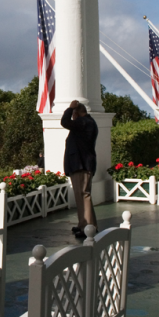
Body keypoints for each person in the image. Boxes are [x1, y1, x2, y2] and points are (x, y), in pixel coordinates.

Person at [61, 100, 98, 239]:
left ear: (77, 113)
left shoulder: (84, 122)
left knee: (83, 195)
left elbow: (65, 122)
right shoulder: (86, 123)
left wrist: (70, 109)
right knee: (81, 195)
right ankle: (84, 224)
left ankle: (89, 227)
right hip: (80, 164)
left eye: (73, 114)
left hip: (81, 165)